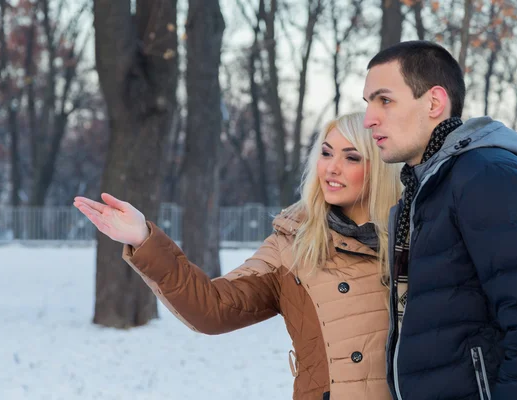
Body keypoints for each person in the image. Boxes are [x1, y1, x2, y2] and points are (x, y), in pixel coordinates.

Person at [73, 112, 402, 400]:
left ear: (381, 167)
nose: (332, 168)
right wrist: (143, 238)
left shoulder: (419, 239)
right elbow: (213, 308)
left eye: (352, 157)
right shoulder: (292, 244)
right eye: (326, 153)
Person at [362, 40, 517, 400]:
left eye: (384, 100)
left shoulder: (486, 177)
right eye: (368, 103)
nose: (369, 119)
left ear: (434, 102)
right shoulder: (424, 192)